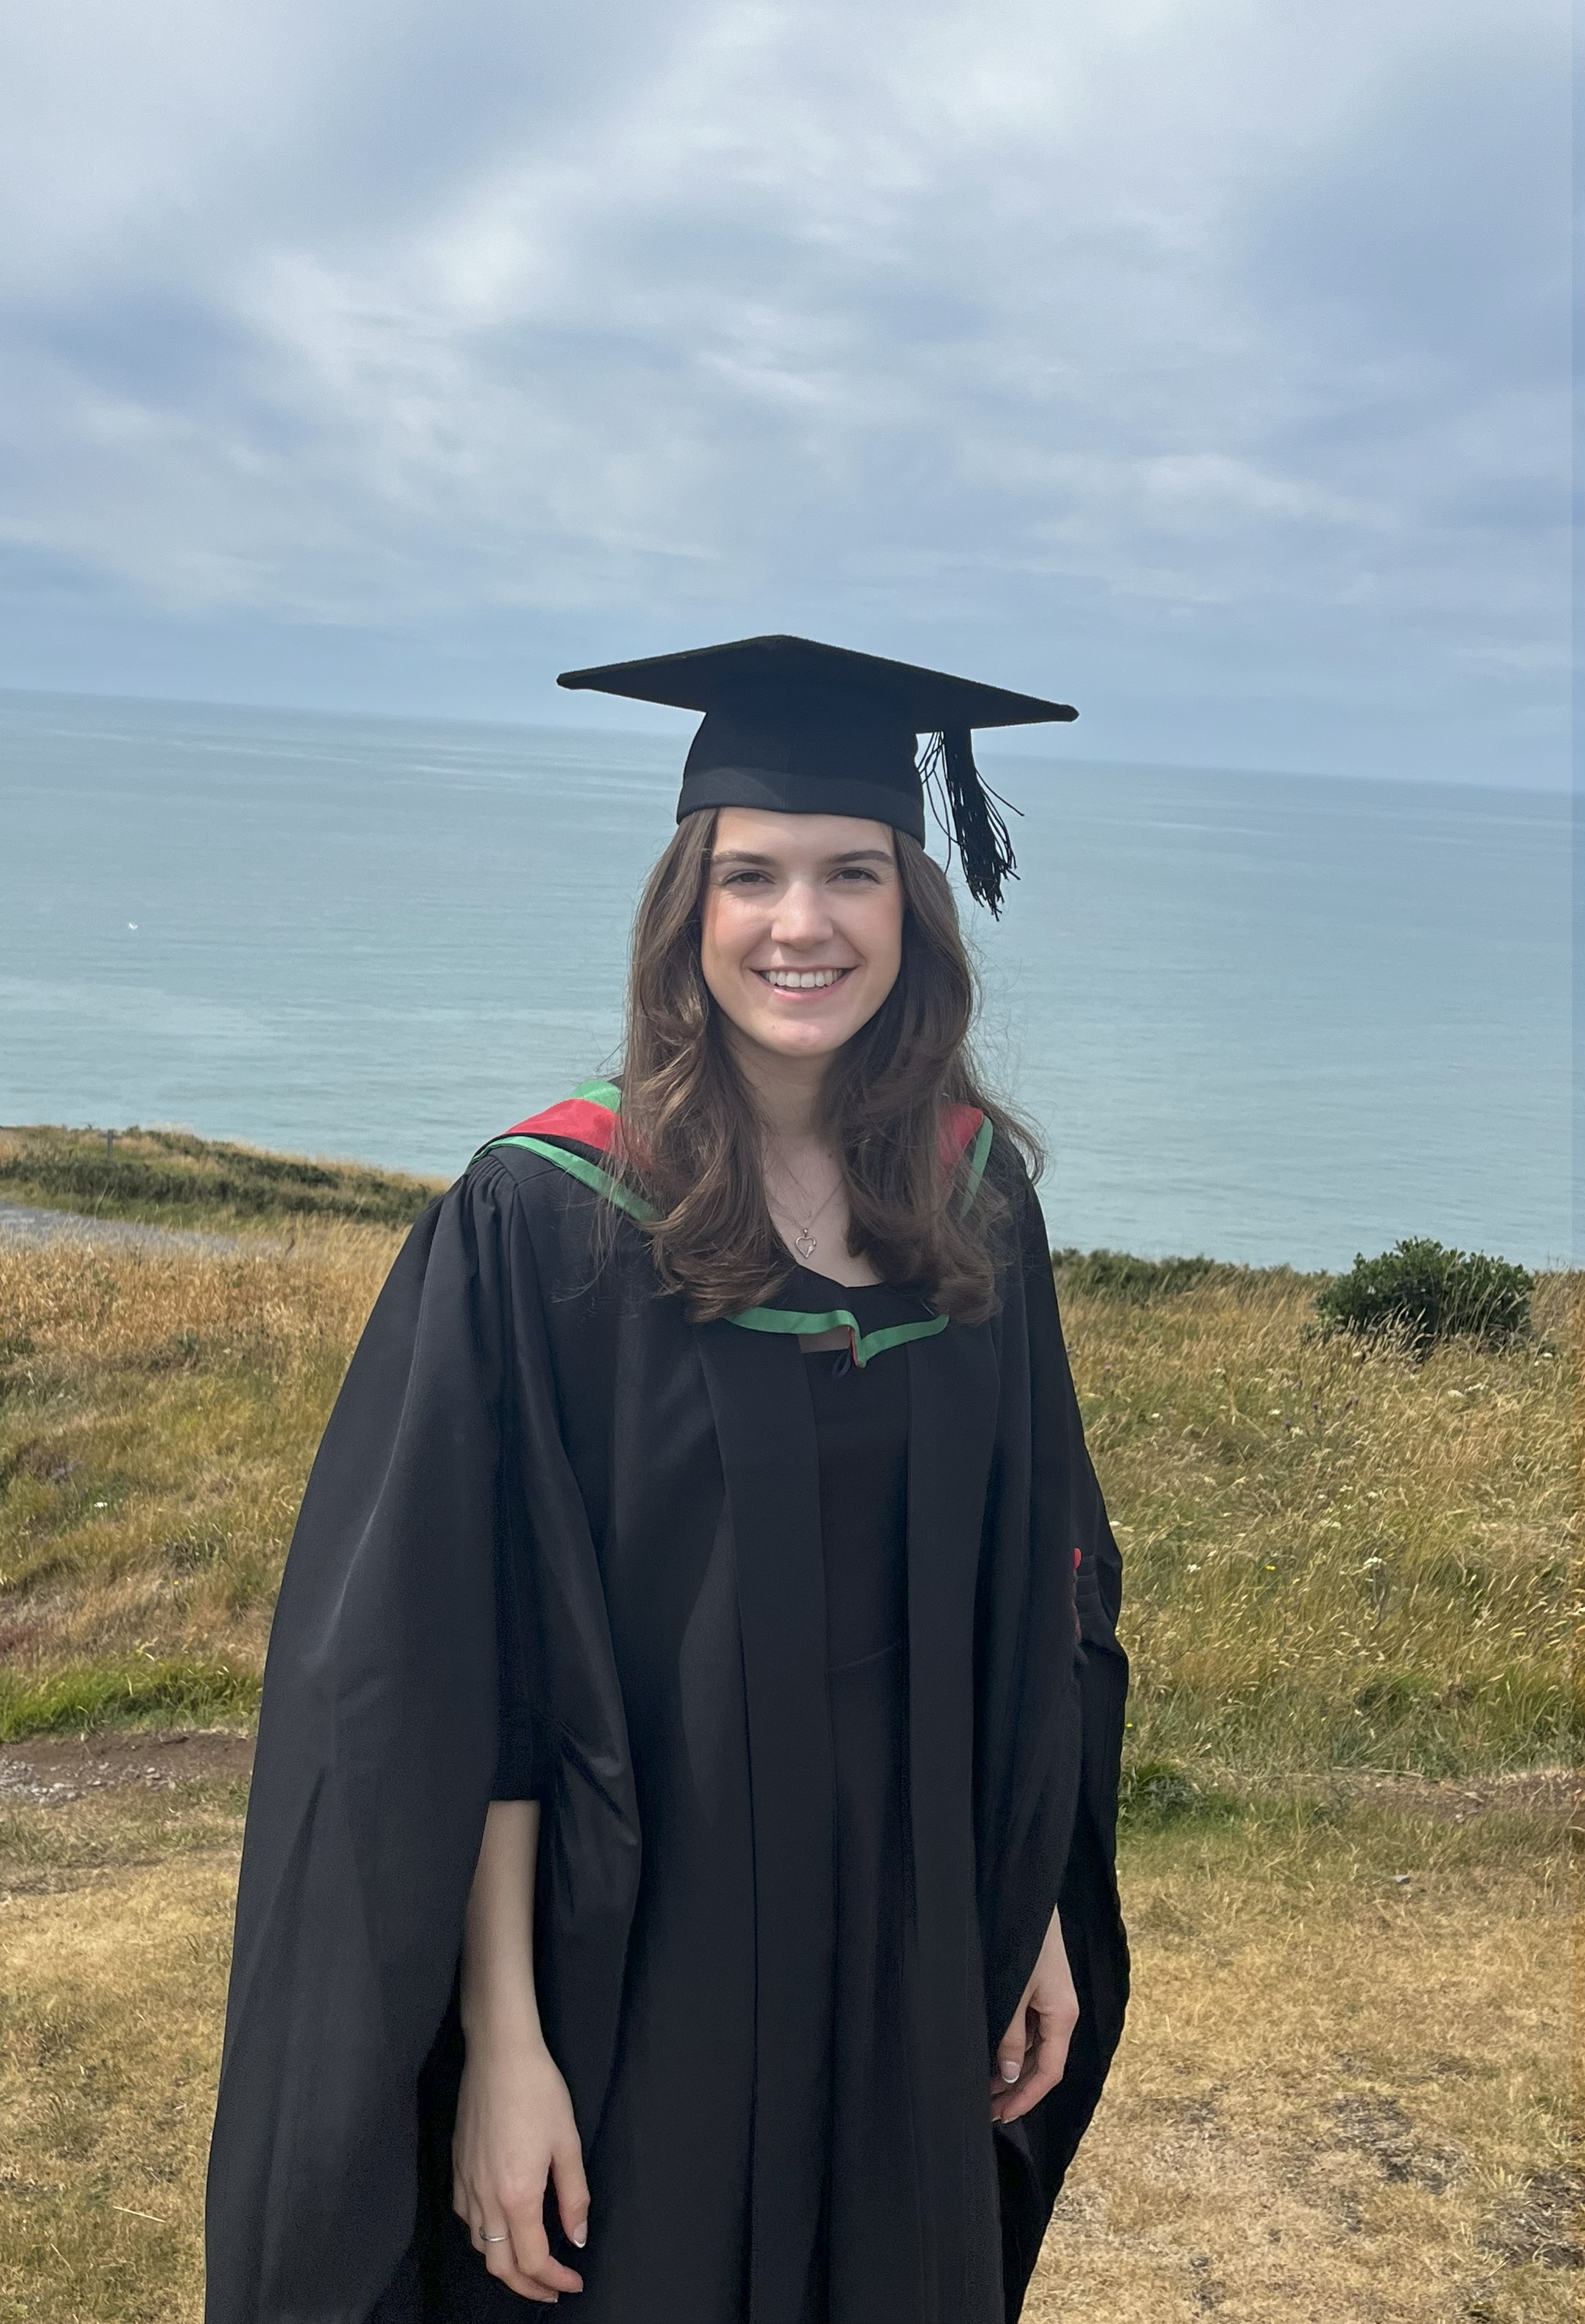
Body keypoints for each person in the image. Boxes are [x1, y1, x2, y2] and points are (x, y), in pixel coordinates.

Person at [204, 636, 1129, 2324]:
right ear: (686, 913)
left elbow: (1041, 1587)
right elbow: (448, 1671)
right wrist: (504, 2043)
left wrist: (1035, 1908)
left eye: (855, 872)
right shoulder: (547, 1223)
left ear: (914, 908)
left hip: (917, 1936)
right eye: (751, 876)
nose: (803, 924)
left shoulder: (979, 1212)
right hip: (641, 1952)